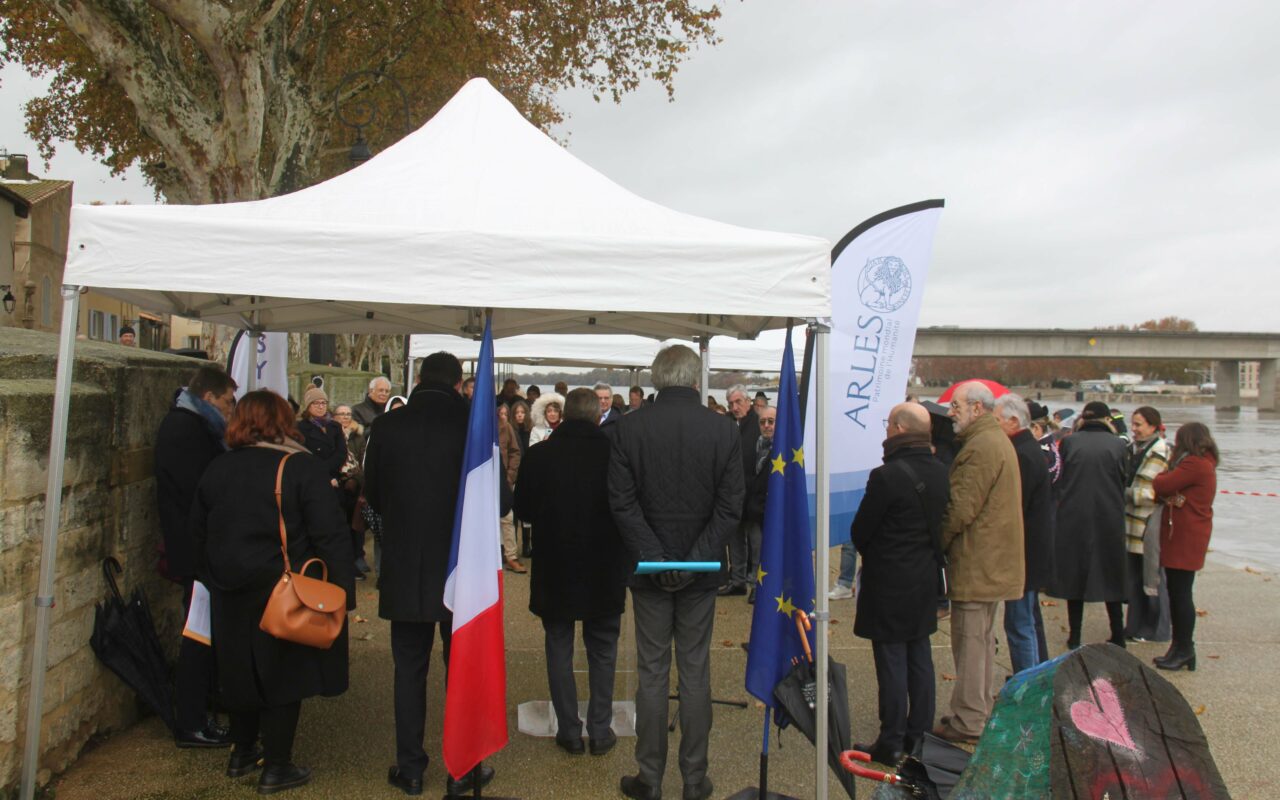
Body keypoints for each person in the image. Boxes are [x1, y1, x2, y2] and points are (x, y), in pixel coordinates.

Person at [189, 390, 353, 794]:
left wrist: (212, 575)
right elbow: (329, 534)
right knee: (285, 677)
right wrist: (341, 591)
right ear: (283, 421)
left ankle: (242, 752)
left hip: (229, 587)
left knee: (238, 670)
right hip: (285, 587)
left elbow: (197, 530)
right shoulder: (300, 467)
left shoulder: (218, 467)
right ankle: (276, 765)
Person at [609, 344, 743, 800]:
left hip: (654, 572)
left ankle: (649, 778)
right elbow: (731, 508)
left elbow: (621, 503)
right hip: (696, 573)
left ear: (657, 377)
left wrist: (659, 558)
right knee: (694, 671)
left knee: (651, 672)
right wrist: (690, 560)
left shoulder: (629, 429)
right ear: (694, 378)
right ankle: (692, 780)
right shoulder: (724, 430)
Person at [364, 352, 495, 797]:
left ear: (419, 378)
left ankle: (411, 767)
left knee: (409, 669)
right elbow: (503, 500)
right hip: (462, 567)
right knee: (462, 666)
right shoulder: (473, 428)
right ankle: (463, 769)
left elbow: (374, 495)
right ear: (459, 382)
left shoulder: (387, 426)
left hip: (405, 563)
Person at [514, 388, 628, 756]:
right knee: (603, 648)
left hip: (556, 564)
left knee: (559, 646)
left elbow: (524, 511)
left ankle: (568, 728)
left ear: (562, 416)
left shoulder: (541, 455)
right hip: (604, 565)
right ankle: (599, 728)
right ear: (598, 416)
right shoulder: (616, 456)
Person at [850, 403, 948, 766]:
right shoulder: (940, 471)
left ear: (901, 429)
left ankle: (891, 739)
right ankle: (919, 737)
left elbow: (861, 530)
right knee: (920, 657)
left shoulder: (886, 476)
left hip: (889, 581)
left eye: (889, 425)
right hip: (923, 579)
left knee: (891, 661)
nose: (886, 431)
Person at [934, 381, 1024, 745]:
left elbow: (960, 509)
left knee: (971, 642)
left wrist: (934, 544)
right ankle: (977, 710)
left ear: (977, 408)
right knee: (983, 641)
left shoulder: (981, 447)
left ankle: (969, 719)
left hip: (977, 561)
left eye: (956, 406)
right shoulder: (992, 441)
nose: (951, 412)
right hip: (992, 561)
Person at [155, 365, 238, 749]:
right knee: (196, 636)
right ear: (208, 398)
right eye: (226, 402)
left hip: (199, 547)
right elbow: (197, 492)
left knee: (204, 634)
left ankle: (202, 707)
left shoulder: (194, 425)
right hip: (194, 549)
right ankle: (191, 721)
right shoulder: (186, 429)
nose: (229, 410)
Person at [1049, 401, 1128, 650]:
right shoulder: (1119, 444)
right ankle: (1118, 633)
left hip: (1074, 515)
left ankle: (1075, 635)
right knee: (1111, 574)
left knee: (1076, 577)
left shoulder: (1071, 441)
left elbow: (1061, 476)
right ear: (1107, 420)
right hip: (1109, 515)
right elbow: (1125, 477)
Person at [994, 394, 1054, 673]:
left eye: (997, 421)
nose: (994, 427)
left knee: (1019, 625)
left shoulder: (1022, 455)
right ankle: (1033, 677)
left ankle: (1027, 684)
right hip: (1030, 550)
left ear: (1014, 421)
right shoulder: (1028, 449)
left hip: (1024, 552)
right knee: (1024, 622)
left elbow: (1015, 505)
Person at [1152, 422, 1218, 671]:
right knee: (1179, 592)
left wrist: (1162, 476)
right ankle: (1179, 647)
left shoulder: (1193, 464)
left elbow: (1162, 485)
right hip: (1188, 535)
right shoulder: (1204, 463)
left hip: (1184, 537)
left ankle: (1184, 648)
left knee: (1180, 595)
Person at [1123, 406, 1172, 642]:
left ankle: (1157, 628)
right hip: (1131, 524)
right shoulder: (1133, 449)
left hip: (1147, 525)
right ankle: (1134, 625)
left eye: (1139, 424)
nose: (1134, 429)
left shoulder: (1159, 452)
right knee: (1134, 579)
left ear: (1153, 426)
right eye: (1133, 424)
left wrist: (1124, 493)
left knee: (1152, 579)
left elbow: (1153, 492)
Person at [720, 384, 760, 597]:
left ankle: (755, 584)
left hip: (752, 495)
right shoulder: (727, 424)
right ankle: (737, 581)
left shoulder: (758, 424)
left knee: (756, 543)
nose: (735, 407)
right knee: (735, 541)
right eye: (731, 403)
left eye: (738, 402)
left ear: (748, 402)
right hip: (732, 496)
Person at [743, 405, 776, 604]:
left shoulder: (785, 450)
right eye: (762, 422)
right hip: (756, 510)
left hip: (774, 511)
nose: (766, 426)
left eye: (770, 422)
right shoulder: (755, 445)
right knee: (756, 552)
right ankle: (756, 586)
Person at [333, 404, 370, 576]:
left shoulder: (358, 436)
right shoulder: (331, 434)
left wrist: (355, 479)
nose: (346, 417)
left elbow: (363, 461)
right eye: (341, 414)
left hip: (356, 485)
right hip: (336, 484)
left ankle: (358, 556)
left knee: (356, 524)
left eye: (348, 414)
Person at [498, 403, 526, 573]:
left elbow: (515, 452)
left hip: (503, 479)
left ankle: (511, 556)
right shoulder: (477, 425)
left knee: (507, 517)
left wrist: (510, 475)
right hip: (482, 478)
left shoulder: (505, 426)